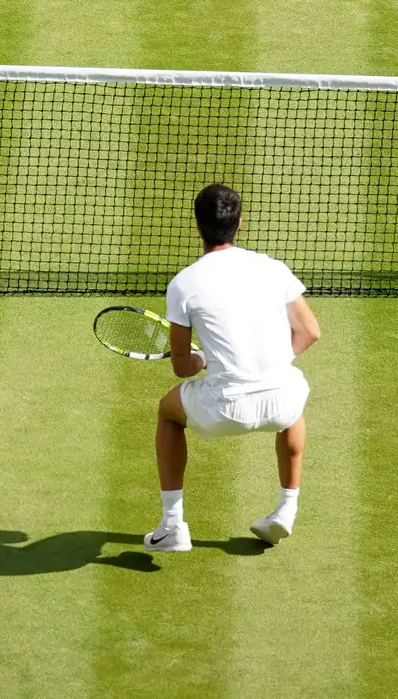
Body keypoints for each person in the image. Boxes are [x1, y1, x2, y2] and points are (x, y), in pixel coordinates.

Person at [144, 183, 322, 552]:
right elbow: (309, 332)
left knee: (168, 411)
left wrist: (203, 360)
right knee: (291, 396)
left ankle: (172, 525)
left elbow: (182, 368)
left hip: (225, 410)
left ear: (197, 227)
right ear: (239, 223)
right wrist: (267, 365)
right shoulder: (273, 268)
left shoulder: (183, 284)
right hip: (280, 404)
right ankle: (286, 510)